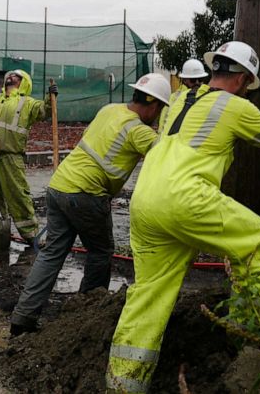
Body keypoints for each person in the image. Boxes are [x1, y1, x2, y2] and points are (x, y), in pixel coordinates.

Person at [105, 41, 260, 393]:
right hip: (183, 197)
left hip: (145, 200)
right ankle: (251, 341)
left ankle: (122, 384)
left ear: (214, 70)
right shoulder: (235, 105)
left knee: (149, 295)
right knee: (257, 239)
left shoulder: (179, 100)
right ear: (244, 79)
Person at [9, 73, 172, 337]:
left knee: (51, 254)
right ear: (153, 105)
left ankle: (23, 318)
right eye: (160, 109)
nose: (158, 114)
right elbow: (169, 154)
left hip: (59, 185)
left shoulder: (110, 110)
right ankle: (86, 314)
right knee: (100, 251)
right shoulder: (138, 130)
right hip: (86, 194)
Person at [0, 70, 58, 243]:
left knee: (18, 195)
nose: (11, 77)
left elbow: (44, 111)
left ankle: (32, 234)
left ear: (24, 82)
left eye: (16, 76)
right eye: (10, 75)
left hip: (11, 155)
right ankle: (1, 229)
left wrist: (50, 97)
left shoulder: (27, 103)